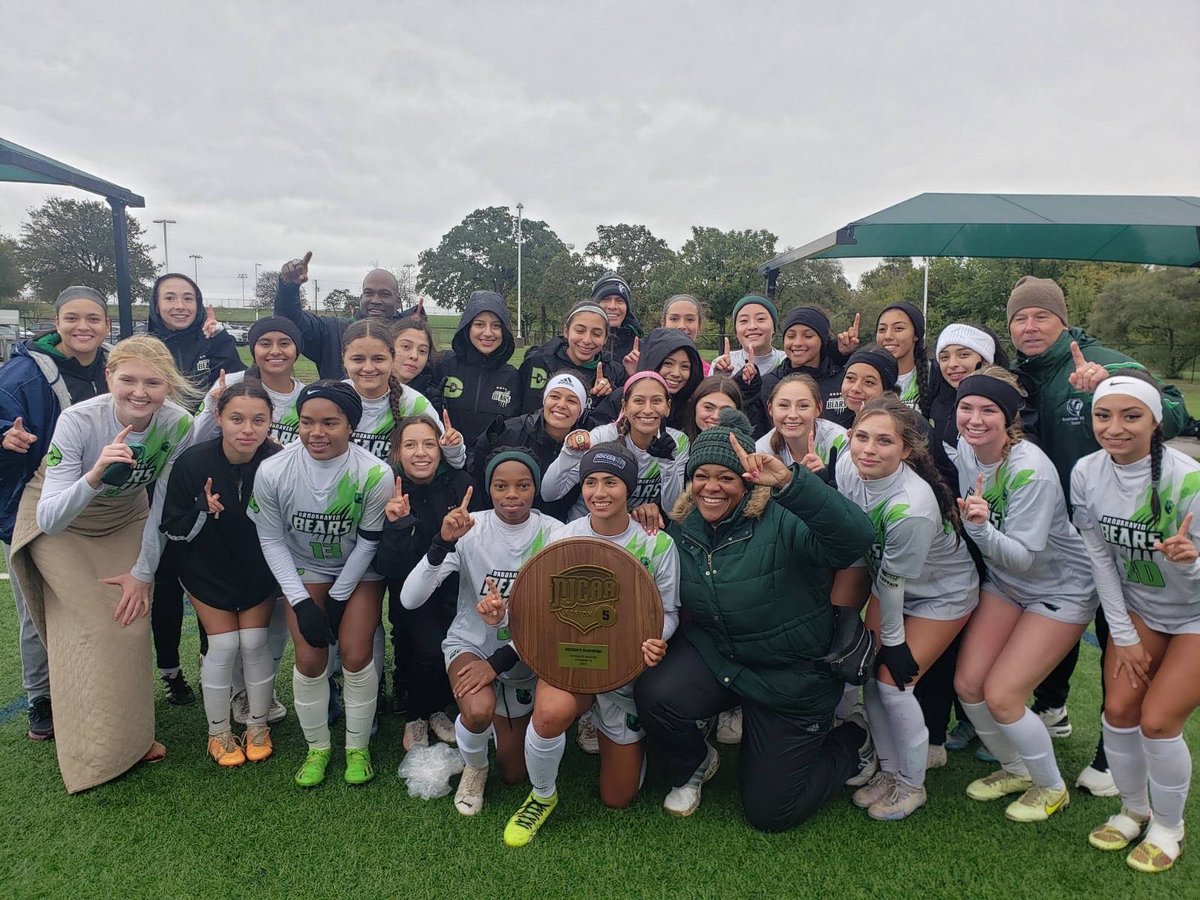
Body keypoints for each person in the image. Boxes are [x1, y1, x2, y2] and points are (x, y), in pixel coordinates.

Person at [635, 408, 875, 831]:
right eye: (701, 476)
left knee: (771, 813)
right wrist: (639, 518)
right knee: (657, 693)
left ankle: (853, 739)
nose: (712, 487)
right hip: (723, 659)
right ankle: (696, 761)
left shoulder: (785, 516)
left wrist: (791, 483)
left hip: (790, 676)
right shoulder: (683, 525)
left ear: (748, 480)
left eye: (726, 477)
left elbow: (856, 538)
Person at [1008, 275, 1191, 796]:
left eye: (1040, 315)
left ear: (1062, 320)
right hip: (1059, 531)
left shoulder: (1092, 359)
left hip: (1120, 529)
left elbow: (1171, 411)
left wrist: (1111, 379)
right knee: (1059, 617)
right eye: (1020, 318)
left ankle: (1113, 755)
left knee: (1120, 635)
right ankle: (1052, 706)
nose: (1029, 326)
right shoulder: (1026, 372)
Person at [8, 334, 198, 793]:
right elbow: (51, 516)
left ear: (168, 386)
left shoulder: (179, 424)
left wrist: (142, 574)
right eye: (127, 379)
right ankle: (90, 754)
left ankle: (133, 740)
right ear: (109, 377)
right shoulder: (77, 420)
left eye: (152, 383)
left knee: (130, 623)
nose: (140, 392)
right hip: (61, 520)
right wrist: (96, 474)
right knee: (88, 629)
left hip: (124, 516)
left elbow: (162, 505)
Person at [502, 441, 678, 847]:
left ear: (629, 489)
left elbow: (668, 612)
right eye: (591, 482)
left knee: (618, 799)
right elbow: (538, 604)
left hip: (624, 669)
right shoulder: (564, 538)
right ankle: (542, 796)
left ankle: (613, 732)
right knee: (548, 714)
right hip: (572, 665)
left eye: (611, 482)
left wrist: (656, 640)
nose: (599, 492)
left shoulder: (657, 544)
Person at [949, 368, 1096, 822]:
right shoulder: (968, 455)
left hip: (1061, 587)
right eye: (966, 408)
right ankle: (1015, 768)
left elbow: (1024, 558)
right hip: (1007, 584)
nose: (975, 419)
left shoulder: (1031, 470)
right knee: (968, 685)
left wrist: (979, 528)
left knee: (1004, 695)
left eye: (988, 410)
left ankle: (1052, 788)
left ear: (1010, 419)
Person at [1071, 373, 1200, 873]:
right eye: (1104, 415)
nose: (1115, 428)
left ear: (1155, 421)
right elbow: (1100, 557)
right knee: (1119, 711)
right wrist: (1122, 635)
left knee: (1159, 720)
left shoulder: (1187, 479)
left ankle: (1169, 826)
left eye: (1131, 416)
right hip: (1143, 610)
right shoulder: (1085, 472)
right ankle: (1133, 809)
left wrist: (1190, 561)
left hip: (1195, 614)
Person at [836, 396, 978, 820]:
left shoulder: (912, 507)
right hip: (892, 583)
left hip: (942, 594)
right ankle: (890, 770)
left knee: (893, 683)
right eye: (861, 437)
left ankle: (912, 786)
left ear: (907, 450)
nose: (868, 449)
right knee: (870, 677)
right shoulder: (848, 466)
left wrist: (895, 644)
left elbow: (896, 582)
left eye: (883, 441)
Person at [400, 449, 563, 816]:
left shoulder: (554, 533)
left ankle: (506, 719)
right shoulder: (470, 527)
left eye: (523, 486)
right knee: (477, 710)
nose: (512, 495)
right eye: (501, 486)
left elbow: (558, 617)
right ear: (489, 488)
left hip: (528, 651)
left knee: (515, 774)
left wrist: (501, 658)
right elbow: (411, 599)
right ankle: (475, 766)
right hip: (472, 644)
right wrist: (441, 544)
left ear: (535, 489)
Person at [248, 381, 392, 787]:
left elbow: (368, 542)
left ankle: (356, 746)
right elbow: (271, 539)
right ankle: (318, 747)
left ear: (351, 425)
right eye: (307, 422)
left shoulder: (375, 473)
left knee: (354, 653)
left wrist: (340, 598)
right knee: (311, 658)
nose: (317, 433)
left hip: (358, 569)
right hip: (305, 567)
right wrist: (302, 603)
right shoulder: (273, 470)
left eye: (330, 423)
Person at [0, 286, 111, 741]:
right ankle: (40, 698)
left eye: (93, 319)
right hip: (36, 502)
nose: (83, 327)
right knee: (38, 608)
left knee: (100, 604)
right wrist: (5, 440)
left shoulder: (116, 368)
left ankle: (98, 689)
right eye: (72, 318)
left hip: (103, 509)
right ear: (57, 321)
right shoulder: (23, 373)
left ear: (106, 324)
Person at [160, 379, 282, 767]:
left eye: (258, 420)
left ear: (270, 422)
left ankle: (257, 725)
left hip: (257, 567)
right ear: (218, 418)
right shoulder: (193, 462)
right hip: (205, 567)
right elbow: (171, 527)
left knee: (254, 642)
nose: (248, 429)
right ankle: (219, 733)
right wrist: (201, 508)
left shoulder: (278, 461)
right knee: (226, 646)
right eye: (237, 418)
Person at [147, 272, 245, 706]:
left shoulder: (215, 343)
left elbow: (236, 385)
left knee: (210, 569)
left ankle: (213, 662)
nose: (179, 305)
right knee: (164, 577)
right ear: (156, 303)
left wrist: (220, 337)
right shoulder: (145, 345)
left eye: (188, 297)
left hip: (209, 470)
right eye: (170, 297)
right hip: (159, 474)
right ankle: (170, 670)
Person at [374, 415, 474, 750]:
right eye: (411, 445)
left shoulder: (459, 483)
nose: (421, 453)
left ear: (441, 450)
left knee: (451, 646)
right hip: (409, 590)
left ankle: (436, 709)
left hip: (453, 587)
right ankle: (416, 716)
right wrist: (398, 525)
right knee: (427, 649)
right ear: (397, 452)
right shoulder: (388, 488)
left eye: (429, 444)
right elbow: (387, 564)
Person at [543, 371, 689, 521]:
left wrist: (667, 462)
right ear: (624, 407)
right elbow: (550, 494)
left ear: (668, 406)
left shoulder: (678, 441)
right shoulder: (603, 437)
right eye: (638, 401)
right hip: (586, 524)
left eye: (657, 401)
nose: (647, 410)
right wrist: (569, 454)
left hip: (634, 530)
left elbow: (672, 509)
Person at [273, 251, 423, 380]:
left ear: (397, 301)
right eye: (368, 293)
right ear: (361, 298)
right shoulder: (333, 331)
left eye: (384, 294)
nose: (375, 300)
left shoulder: (409, 341)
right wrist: (289, 288)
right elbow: (289, 323)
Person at [341, 319, 464, 468]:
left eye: (378, 359)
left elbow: (457, 462)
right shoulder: (331, 399)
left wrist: (452, 447)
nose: (368, 368)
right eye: (358, 359)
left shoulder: (415, 403)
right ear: (344, 359)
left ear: (392, 358)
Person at [470, 372, 586, 522]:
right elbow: (477, 470)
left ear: (580, 411)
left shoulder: (585, 444)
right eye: (554, 396)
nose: (561, 405)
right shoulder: (508, 433)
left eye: (572, 401)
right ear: (544, 401)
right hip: (505, 525)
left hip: (555, 530)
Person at [193, 317, 306, 446]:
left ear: (297, 350)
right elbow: (195, 440)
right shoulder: (230, 384)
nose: (275, 351)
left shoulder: (306, 396)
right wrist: (212, 408)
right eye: (265, 344)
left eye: (284, 344)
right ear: (253, 350)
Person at [435, 291, 520, 445]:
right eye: (479, 324)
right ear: (467, 327)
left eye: (495, 326)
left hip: (490, 463)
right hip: (445, 460)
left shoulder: (513, 377)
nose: (487, 333)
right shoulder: (444, 365)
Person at [518, 302, 623, 419]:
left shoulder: (614, 373)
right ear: (566, 332)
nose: (587, 340)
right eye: (579, 331)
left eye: (596, 334)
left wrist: (611, 392)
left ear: (605, 338)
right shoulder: (538, 362)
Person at [756, 306, 847, 426]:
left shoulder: (845, 382)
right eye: (791, 336)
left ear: (823, 340)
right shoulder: (767, 383)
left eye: (808, 336)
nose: (797, 343)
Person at [929, 324, 1010, 455]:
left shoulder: (1007, 404)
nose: (952, 364)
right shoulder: (937, 400)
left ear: (985, 360)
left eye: (963, 355)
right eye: (944, 357)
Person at [605, 327, 705, 432]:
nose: (676, 373)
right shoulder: (620, 398)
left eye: (685, 366)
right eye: (668, 363)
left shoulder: (694, 408)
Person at [756, 373, 848, 472]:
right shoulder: (763, 450)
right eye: (783, 405)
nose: (792, 415)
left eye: (803, 406)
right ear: (770, 409)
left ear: (818, 409)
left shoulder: (840, 442)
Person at [874, 302, 931, 416]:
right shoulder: (868, 375)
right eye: (882, 329)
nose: (888, 336)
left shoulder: (934, 374)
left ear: (916, 335)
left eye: (898, 328)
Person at [712, 295, 786, 377]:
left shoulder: (788, 362)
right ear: (736, 331)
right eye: (744, 320)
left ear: (774, 327)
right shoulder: (721, 365)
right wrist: (719, 380)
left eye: (761, 319)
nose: (752, 326)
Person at [593, 273, 643, 364]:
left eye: (619, 301)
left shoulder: (641, 348)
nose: (612, 306)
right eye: (605, 299)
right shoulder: (579, 343)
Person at [391, 316, 442, 404]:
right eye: (406, 346)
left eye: (422, 351)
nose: (414, 356)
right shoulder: (367, 388)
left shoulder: (431, 399)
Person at [684, 375, 744, 443]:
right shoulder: (676, 445)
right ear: (694, 406)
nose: (716, 416)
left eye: (726, 410)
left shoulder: (747, 451)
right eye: (708, 407)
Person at [662, 294, 711, 376]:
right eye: (674, 319)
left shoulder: (708, 374)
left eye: (689, 319)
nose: (681, 326)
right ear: (663, 324)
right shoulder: (648, 367)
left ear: (699, 326)